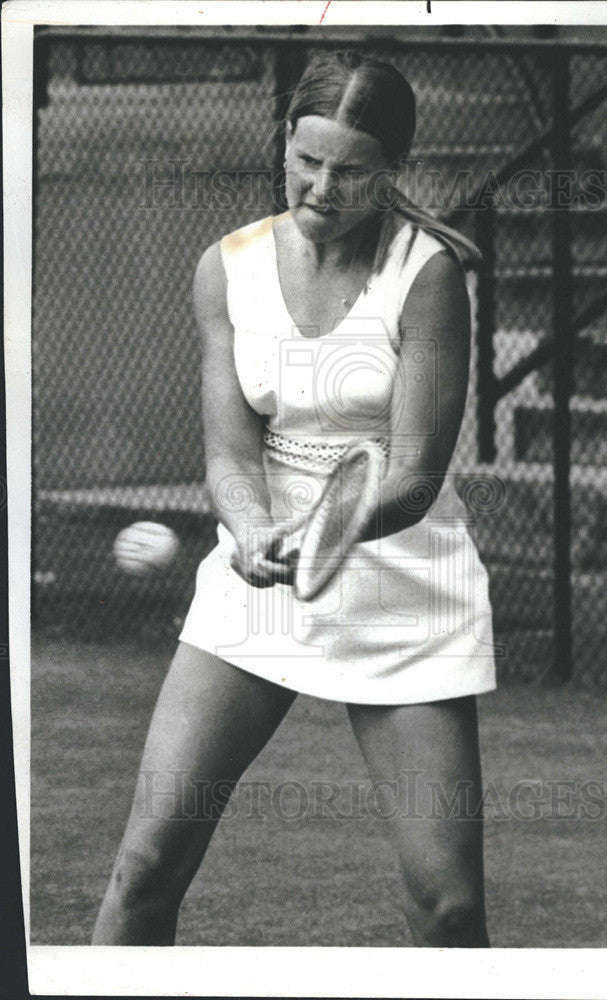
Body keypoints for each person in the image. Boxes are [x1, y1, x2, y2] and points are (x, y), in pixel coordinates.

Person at [92, 50, 497, 948]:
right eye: (308, 160)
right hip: (260, 576)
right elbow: (231, 453)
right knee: (145, 869)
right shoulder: (225, 267)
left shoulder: (427, 275)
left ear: (392, 168)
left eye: (351, 170)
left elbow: (414, 476)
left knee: (450, 905)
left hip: (403, 576)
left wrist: (314, 536)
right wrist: (245, 529)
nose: (322, 187)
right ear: (285, 142)